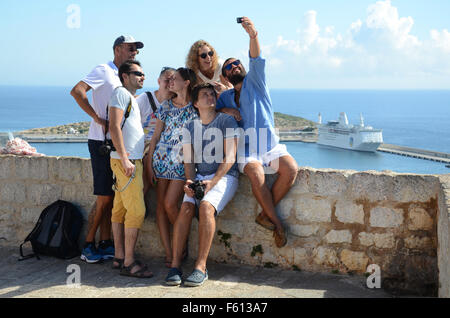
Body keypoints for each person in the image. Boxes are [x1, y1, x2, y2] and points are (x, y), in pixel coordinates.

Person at [217, 17, 299, 248]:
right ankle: (278, 224)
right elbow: (209, 113)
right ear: (225, 76)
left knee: (290, 169)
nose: (234, 67)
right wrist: (226, 109)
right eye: (229, 67)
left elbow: (256, 57)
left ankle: (265, 216)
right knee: (255, 173)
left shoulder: (256, 82)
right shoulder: (224, 97)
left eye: (236, 64)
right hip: (246, 148)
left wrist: (253, 35)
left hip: (269, 144)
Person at [70, 35, 144, 263]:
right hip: (100, 142)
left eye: (136, 50)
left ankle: (105, 243)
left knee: (112, 196)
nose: (135, 53)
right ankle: (88, 245)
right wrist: (97, 118)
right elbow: (77, 91)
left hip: (114, 145)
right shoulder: (104, 70)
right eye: (131, 48)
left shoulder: (124, 77)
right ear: (118, 48)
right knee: (104, 196)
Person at [165, 83, 239, 287]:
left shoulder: (227, 121)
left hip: (224, 176)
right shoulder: (190, 126)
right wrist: (189, 182)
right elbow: (188, 161)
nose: (210, 97)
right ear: (196, 103)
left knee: (206, 208)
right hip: (199, 176)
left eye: (212, 94)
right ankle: (175, 265)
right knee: (186, 208)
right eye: (204, 95)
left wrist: (212, 183)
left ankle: (201, 267)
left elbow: (230, 156)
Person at [145, 67, 198, 268]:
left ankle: (180, 245)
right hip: (160, 160)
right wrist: (149, 165)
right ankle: (169, 252)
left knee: (169, 204)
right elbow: (155, 136)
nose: (170, 83)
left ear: (186, 83)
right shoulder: (166, 105)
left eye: (174, 79)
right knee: (160, 207)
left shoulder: (195, 107)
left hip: (180, 163)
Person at [108, 59, 153, 278]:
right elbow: (114, 126)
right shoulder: (121, 94)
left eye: (143, 74)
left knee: (120, 209)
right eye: (138, 73)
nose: (142, 77)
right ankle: (129, 262)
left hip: (124, 160)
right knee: (137, 211)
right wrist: (126, 159)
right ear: (125, 76)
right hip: (126, 162)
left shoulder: (129, 97)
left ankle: (119, 257)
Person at [136, 67, 176, 195]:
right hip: (144, 144)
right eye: (167, 80)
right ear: (159, 81)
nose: (170, 84)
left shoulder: (175, 103)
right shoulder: (144, 99)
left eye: (173, 80)